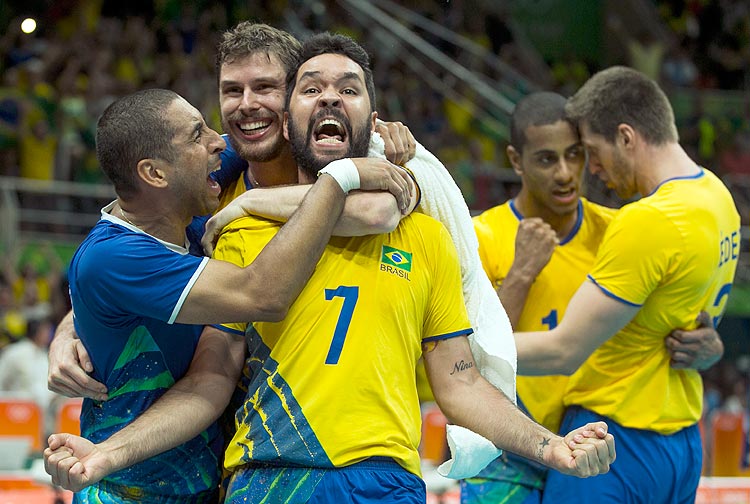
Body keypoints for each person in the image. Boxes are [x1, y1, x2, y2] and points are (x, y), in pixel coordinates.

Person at [45, 34, 616, 503]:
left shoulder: (421, 227)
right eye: (310, 89)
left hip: (386, 482)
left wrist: (551, 446)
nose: (327, 99)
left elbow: (461, 382)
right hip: (266, 477)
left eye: (349, 89)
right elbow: (207, 374)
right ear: (293, 116)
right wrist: (74, 327)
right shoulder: (230, 224)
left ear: (376, 116)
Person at [43, 87, 411, 503]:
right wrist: (341, 177)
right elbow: (264, 294)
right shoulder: (116, 256)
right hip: (127, 491)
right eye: (197, 134)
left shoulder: (180, 206)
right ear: (155, 174)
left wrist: (380, 134)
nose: (218, 142)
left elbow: (266, 134)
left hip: (204, 488)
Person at [47, 22, 419, 402]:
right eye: (231, 91)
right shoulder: (207, 180)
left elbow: (376, 209)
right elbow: (114, 264)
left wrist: (253, 202)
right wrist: (69, 331)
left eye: (264, 87)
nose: (246, 104)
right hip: (227, 433)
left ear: (295, 97)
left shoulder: (365, 153)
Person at [463, 91, 725, 503]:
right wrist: (521, 273)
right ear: (516, 161)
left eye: (576, 154)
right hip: (509, 454)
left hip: (596, 448)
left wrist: (708, 347)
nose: (566, 173)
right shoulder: (479, 237)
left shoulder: (620, 231)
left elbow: (663, 326)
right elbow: (464, 351)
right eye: (547, 159)